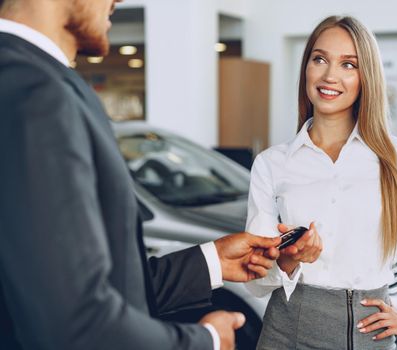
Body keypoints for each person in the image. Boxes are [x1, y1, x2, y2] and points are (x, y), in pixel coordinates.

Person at [0, 1, 283, 349]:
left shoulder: (30, 80)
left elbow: (76, 285)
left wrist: (212, 260)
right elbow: (75, 325)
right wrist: (206, 341)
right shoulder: (35, 93)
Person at [245, 15, 397, 349]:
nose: (330, 75)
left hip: (368, 332)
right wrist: (289, 260)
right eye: (319, 59)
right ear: (306, 69)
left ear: (366, 77)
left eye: (348, 64)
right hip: (286, 330)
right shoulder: (271, 164)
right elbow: (256, 281)